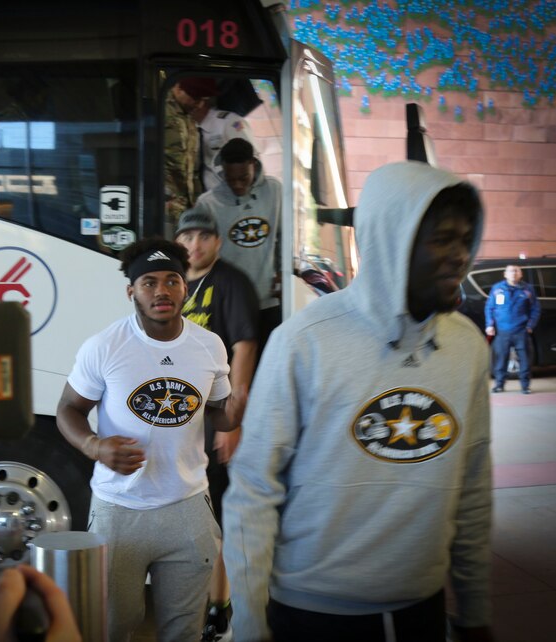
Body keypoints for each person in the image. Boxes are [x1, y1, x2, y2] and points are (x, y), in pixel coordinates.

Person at [222, 161, 495, 642]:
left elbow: (473, 486)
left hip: (422, 613)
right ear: (392, 240)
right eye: (441, 239)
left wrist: (474, 613)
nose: (460, 255)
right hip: (311, 617)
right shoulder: (304, 343)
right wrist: (248, 622)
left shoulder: (467, 347)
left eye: (465, 238)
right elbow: (253, 491)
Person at [55, 238, 245, 642]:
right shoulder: (104, 347)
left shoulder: (208, 346)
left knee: (185, 632)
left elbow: (219, 412)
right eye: (149, 282)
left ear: (185, 287)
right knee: (112, 628)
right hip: (118, 510)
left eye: (172, 280)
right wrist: (93, 446)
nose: (162, 290)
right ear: (131, 291)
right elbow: (68, 410)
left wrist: (238, 409)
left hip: (188, 507)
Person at [175, 208, 260, 641]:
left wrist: (233, 421)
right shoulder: (171, 282)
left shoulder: (232, 283)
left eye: (203, 236)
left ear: (218, 242)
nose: (194, 244)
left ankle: (218, 606)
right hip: (178, 417)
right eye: (187, 236)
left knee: (216, 518)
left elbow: (244, 347)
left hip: (214, 420)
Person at [193, 138, 282, 347]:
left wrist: (284, 271)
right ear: (223, 171)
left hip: (267, 301)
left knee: (267, 369)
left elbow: (285, 238)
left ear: (254, 164)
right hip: (228, 305)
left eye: (244, 177)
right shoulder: (208, 203)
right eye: (231, 180)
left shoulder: (275, 191)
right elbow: (200, 256)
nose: (238, 185)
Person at [164, 77, 216, 227]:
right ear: (179, 88)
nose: (199, 105)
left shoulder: (189, 118)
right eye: (195, 98)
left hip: (185, 207)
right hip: (165, 205)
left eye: (203, 100)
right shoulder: (160, 110)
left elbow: (191, 167)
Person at [485, 264, 540, 394]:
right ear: (505, 274)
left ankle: (525, 386)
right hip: (502, 331)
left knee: (525, 360)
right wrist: (489, 325)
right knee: (500, 360)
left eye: (516, 271)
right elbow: (490, 308)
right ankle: (499, 385)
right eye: (510, 271)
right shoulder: (497, 289)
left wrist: (530, 326)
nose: (513, 273)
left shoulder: (527, 290)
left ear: (520, 274)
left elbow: (535, 309)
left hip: (521, 331)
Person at [191, 95, 258, 193]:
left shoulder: (230, 122)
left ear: (199, 102)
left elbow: (250, 161)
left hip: (234, 198)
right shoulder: (191, 129)